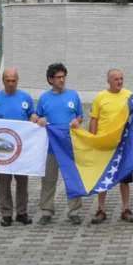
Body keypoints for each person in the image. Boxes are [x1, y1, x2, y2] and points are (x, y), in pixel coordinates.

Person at [34, 63, 84, 225]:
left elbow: (80, 116)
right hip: (50, 146)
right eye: (58, 77)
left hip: (70, 145)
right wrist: (39, 120)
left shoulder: (73, 96)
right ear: (50, 79)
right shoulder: (44, 98)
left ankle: (74, 210)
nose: (62, 80)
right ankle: (47, 210)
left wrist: (77, 121)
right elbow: (37, 117)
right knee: (48, 179)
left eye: (63, 77)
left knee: (73, 178)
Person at [0, 68, 35, 226]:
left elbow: (31, 115)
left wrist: (35, 118)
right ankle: (6, 214)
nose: (11, 83)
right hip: (2, 149)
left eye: (13, 80)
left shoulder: (26, 97)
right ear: (3, 81)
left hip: (21, 148)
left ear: (17, 80)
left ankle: (22, 212)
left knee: (22, 182)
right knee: (4, 182)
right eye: (7, 80)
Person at [90, 68, 133, 224]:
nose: (119, 82)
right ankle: (101, 210)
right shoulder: (100, 97)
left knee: (124, 178)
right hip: (104, 144)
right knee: (103, 177)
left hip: (123, 144)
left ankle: (126, 209)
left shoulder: (129, 96)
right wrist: (92, 140)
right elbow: (94, 120)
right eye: (116, 79)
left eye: (121, 78)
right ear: (109, 81)